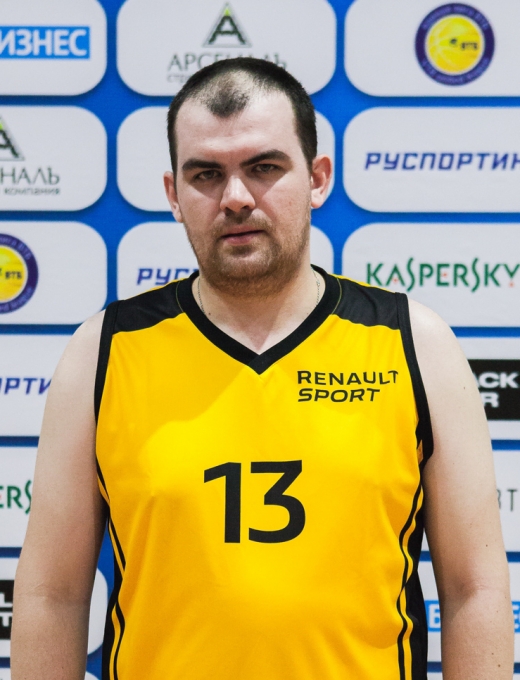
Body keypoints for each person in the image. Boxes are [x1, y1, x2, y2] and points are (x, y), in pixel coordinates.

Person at [12, 57, 513, 680]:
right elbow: (53, 596)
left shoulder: (415, 343)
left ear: (318, 178)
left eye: (264, 168)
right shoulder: (104, 351)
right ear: (173, 194)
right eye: (206, 174)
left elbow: (474, 590)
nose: (236, 198)